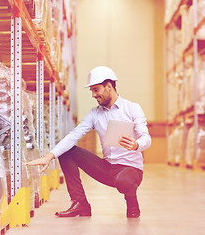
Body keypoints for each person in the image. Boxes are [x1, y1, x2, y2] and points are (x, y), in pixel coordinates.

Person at [26, 66, 151, 218]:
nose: (93, 95)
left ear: (109, 87)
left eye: (96, 90)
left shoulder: (132, 109)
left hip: (130, 169)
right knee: (67, 152)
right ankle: (80, 204)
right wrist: (50, 156)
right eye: (91, 90)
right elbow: (73, 135)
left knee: (124, 181)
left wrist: (137, 144)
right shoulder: (95, 114)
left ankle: (132, 204)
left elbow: (146, 138)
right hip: (107, 168)